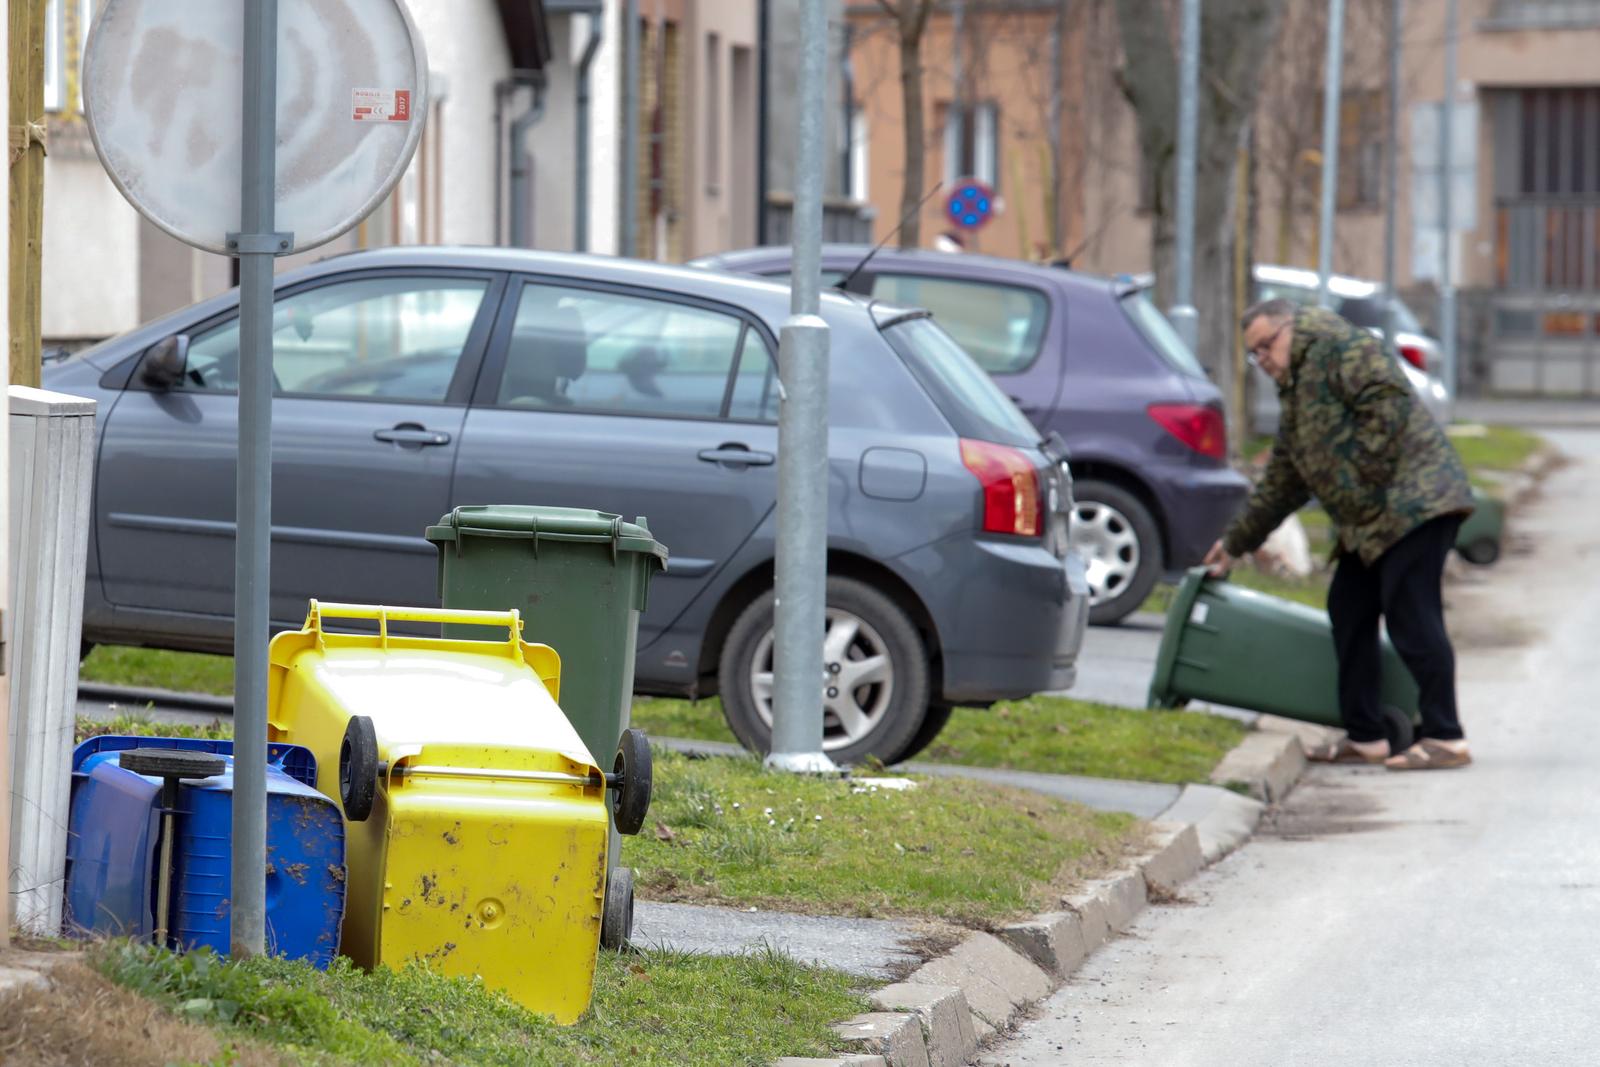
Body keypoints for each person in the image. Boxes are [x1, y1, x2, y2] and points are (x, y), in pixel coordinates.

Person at [1203, 299, 1475, 771]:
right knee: (1348, 606)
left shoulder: (1339, 346)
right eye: (1255, 354)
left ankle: (1445, 735)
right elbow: (1283, 481)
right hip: (1372, 519)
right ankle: (1366, 734)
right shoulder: (1296, 388)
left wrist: (1357, 481)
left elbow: (1387, 406)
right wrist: (1235, 544)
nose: (1263, 360)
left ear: (1290, 328)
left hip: (1415, 503)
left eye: (1267, 346)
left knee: (1412, 614)